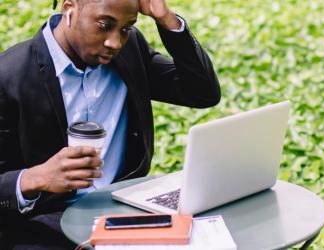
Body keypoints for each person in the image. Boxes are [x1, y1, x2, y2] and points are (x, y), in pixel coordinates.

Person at [0, 0, 220, 248]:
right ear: (69, 8)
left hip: (125, 212)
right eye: (105, 25)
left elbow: (202, 92)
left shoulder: (129, 50)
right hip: (45, 225)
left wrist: (166, 19)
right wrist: (33, 179)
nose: (115, 42)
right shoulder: (9, 75)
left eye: (126, 28)